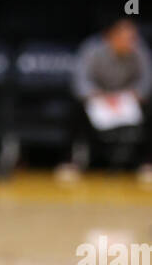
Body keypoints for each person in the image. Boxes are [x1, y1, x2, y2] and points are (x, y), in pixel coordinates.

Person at [59, 18, 152, 182]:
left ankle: (147, 163)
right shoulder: (91, 48)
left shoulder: (139, 49)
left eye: (133, 36)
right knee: (74, 108)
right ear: (111, 36)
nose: (131, 41)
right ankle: (71, 161)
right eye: (126, 37)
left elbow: (146, 80)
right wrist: (96, 95)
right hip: (97, 99)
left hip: (127, 100)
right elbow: (80, 80)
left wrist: (134, 94)